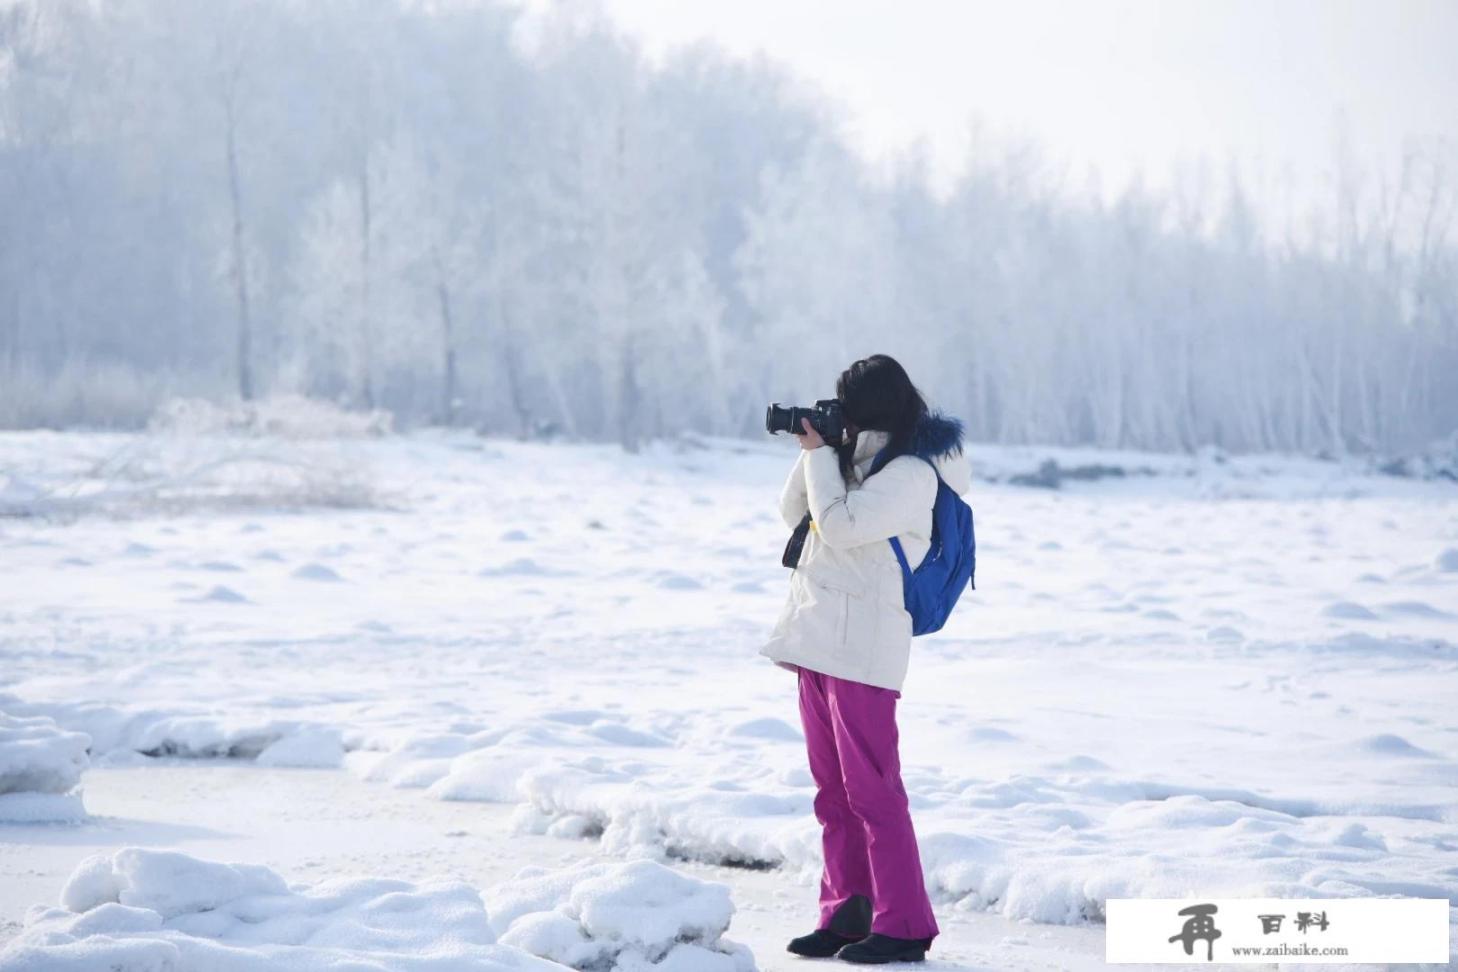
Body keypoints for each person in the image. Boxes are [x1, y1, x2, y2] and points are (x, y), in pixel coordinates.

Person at [760, 354, 972, 965]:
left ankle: (904, 925)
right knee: (833, 793)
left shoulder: (911, 474)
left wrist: (824, 453)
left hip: (864, 653)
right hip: (816, 643)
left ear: (871, 407)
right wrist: (815, 450)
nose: (838, 411)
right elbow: (794, 514)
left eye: (845, 402)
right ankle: (847, 913)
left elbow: (842, 525)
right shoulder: (848, 458)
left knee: (873, 793)